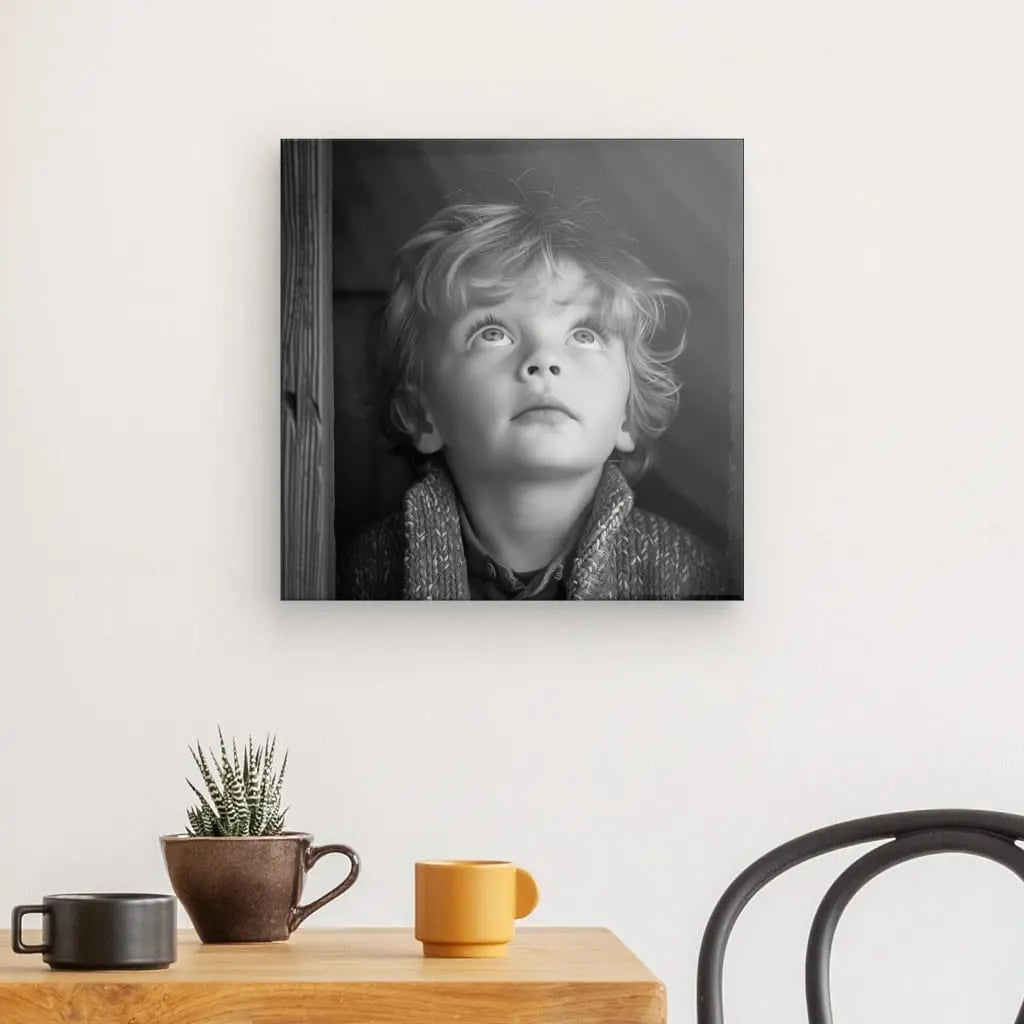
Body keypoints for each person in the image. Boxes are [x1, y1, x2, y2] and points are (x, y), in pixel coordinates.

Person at [338, 196, 726, 600]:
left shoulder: (690, 577)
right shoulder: (372, 569)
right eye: (492, 333)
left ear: (626, 417)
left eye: (585, 334)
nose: (544, 360)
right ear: (421, 415)